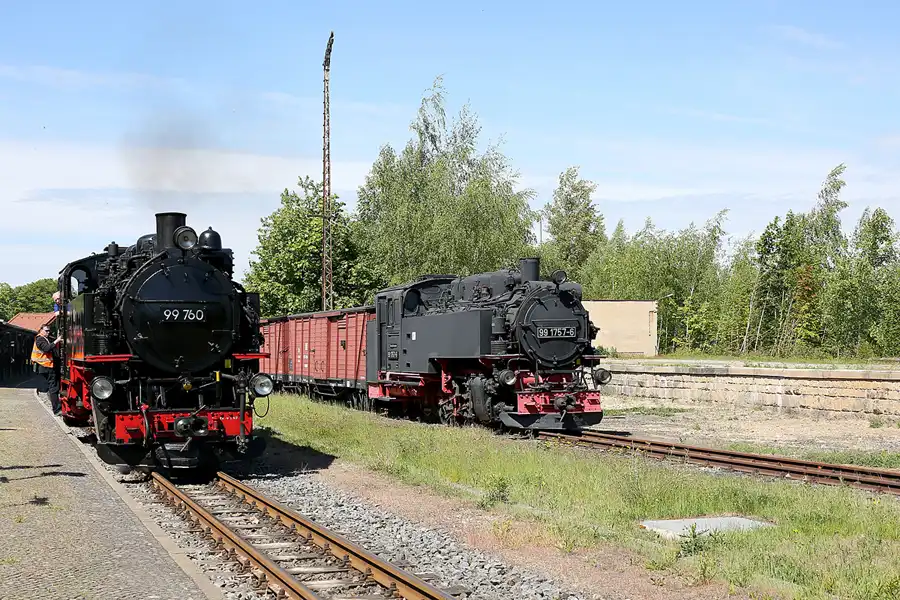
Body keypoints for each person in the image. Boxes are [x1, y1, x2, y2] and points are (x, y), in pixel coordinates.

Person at [32, 324, 62, 415]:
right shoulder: (40, 339)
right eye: (46, 330)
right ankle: (56, 409)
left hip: (47, 366)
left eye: (49, 331)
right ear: (41, 330)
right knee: (53, 387)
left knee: (53, 386)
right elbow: (46, 348)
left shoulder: (45, 339)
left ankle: (57, 406)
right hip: (46, 366)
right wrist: (57, 341)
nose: (48, 332)